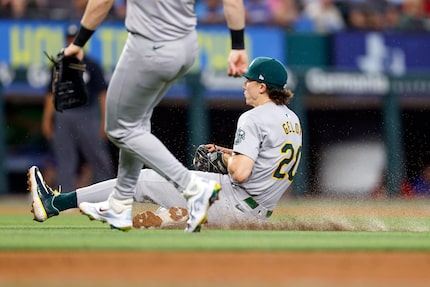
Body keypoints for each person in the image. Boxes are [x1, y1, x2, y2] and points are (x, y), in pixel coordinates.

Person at [29, 57, 302, 230]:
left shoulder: (252, 118)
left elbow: (240, 171)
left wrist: (227, 161)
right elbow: (265, 159)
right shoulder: (291, 119)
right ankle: (173, 215)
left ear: (263, 87)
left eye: (249, 81)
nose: (245, 86)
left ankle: (54, 203)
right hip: (258, 211)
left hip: (233, 201)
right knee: (168, 201)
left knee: (141, 179)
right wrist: (227, 152)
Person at [46, 0, 248, 233]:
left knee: (119, 128)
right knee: (136, 123)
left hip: (150, 45)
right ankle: (120, 205)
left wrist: (79, 42)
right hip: (187, 45)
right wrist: (238, 45)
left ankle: (192, 188)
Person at [41, 23, 115, 193]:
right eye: (70, 38)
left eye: (76, 38)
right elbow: (51, 94)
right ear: (66, 41)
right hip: (63, 114)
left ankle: (108, 193)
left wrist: (105, 120)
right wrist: (47, 119)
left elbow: (102, 94)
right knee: (65, 157)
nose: (73, 41)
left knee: (97, 154)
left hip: (86, 114)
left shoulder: (92, 64)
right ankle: (65, 196)